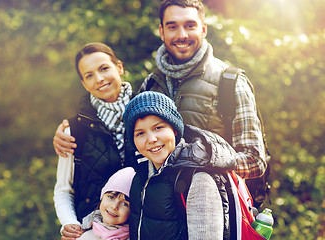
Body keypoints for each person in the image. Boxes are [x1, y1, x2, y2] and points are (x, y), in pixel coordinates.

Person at [53, 0, 266, 180]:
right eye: (172, 27)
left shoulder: (230, 82)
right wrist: (69, 132)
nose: (182, 34)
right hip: (159, 214)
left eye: (190, 25)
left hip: (216, 211)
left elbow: (254, 162)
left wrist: (197, 162)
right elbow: (119, 136)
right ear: (162, 32)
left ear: (203, 29)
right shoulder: (151, 84)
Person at [122, 91, 236, 240]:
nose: (151, 139)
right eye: (140, 133)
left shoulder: (198, 179)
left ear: (175, 129)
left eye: (158, 128)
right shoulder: (140, 176)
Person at [53, 42, 138, 240]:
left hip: (143, 230)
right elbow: (64, 190)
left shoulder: (147, 115)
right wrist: (70, 223)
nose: (99, 79)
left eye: (104, 69)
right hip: (94, 233)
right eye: (89, 75)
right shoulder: (73, 130)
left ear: (119, 68)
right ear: (84, 83)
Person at [76, 167, 135, 240]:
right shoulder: (84, 235)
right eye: (111, 197)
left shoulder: (135, 237)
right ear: (102, 198)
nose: (114, 206)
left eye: (124, 204)